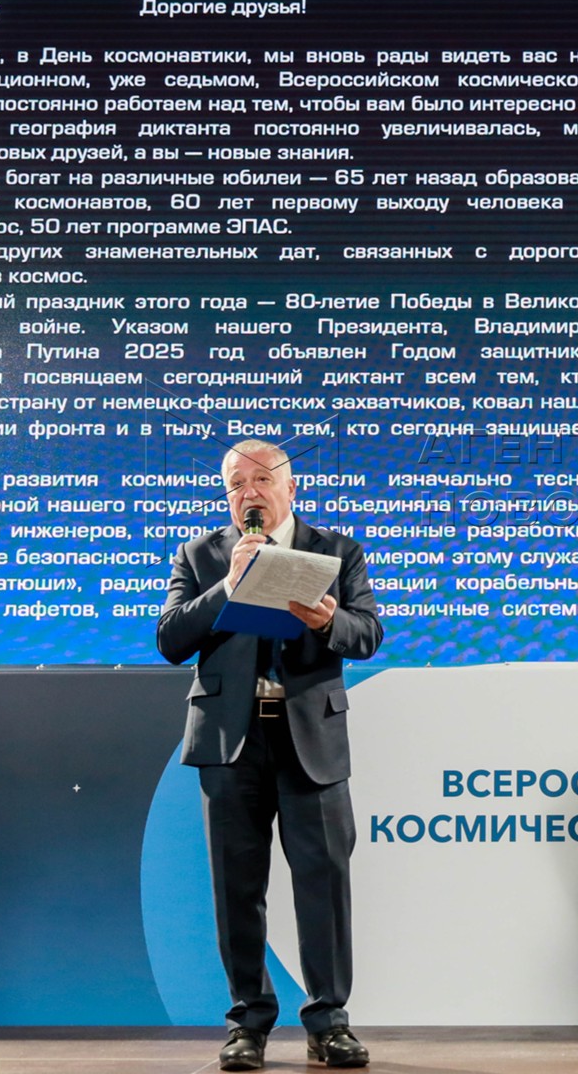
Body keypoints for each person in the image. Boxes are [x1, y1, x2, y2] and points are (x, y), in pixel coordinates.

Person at [157, 439, 383, 1070]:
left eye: (260, 480)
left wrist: (327, 621)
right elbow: (170, 640)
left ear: (290, 488)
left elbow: (368, 634)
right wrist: (227, 586)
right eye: (235, 484)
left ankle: (328, 1022)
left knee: (323, 884)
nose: (247, 493)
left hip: (309, 739)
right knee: (237, 888)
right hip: (231, 742)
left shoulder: (336, 551)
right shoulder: (201, 555)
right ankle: (248, 1025)